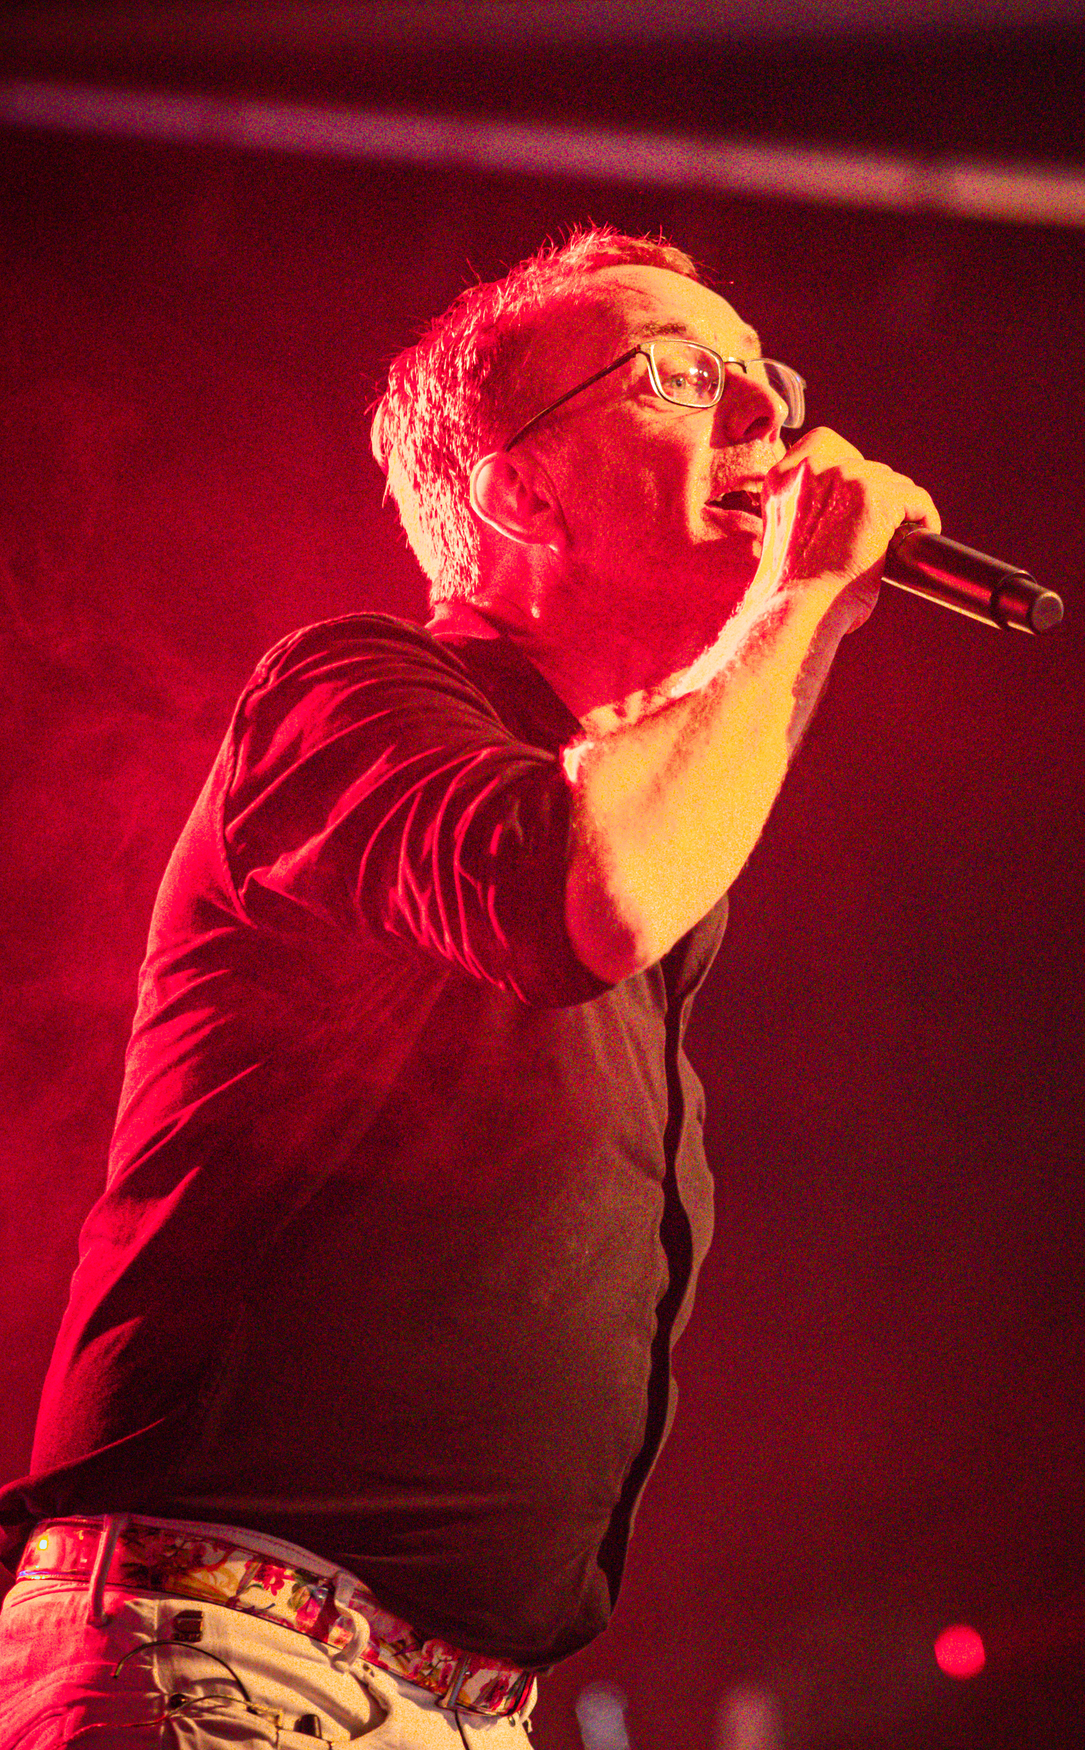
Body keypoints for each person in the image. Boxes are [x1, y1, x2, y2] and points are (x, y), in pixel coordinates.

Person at [0, 227, 938, 1746]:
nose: (768, 417)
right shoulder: (347, 697)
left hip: (448, 1707)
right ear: (517, 486)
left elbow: (636, 870)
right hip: (231, 1659)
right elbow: (590, 894)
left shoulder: (643, 853)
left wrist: (809, 618)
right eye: (687, 375)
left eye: (768, 375)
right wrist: (801, 591)